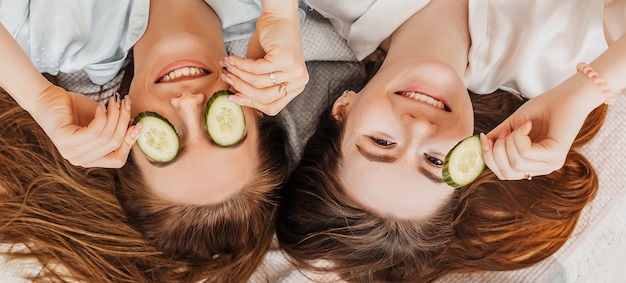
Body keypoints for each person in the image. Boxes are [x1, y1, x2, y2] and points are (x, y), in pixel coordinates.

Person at [275, 0, 626, 281]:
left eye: (381, 142)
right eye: (434, 161)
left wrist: (279, 18)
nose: (420, 129)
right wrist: (582, 93)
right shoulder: (551, 63)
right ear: (469, 152)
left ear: (344, 108)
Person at [0, 0, 307, 282]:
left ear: (127, 132)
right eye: (220, 126)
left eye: (167, 136)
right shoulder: (277, 16)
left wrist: (38, 97)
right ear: (257, 111)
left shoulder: (48, 37)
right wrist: (280, 13)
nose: (187, 102)